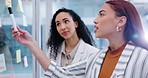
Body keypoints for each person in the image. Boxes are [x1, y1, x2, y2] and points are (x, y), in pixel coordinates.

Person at [12, 0, 148, 78]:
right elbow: (62, 74)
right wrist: (32, 44)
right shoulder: (97, 58)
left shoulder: (143, 58)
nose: (95, 20)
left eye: (102, 14)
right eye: (57, 24)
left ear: (121, 21)